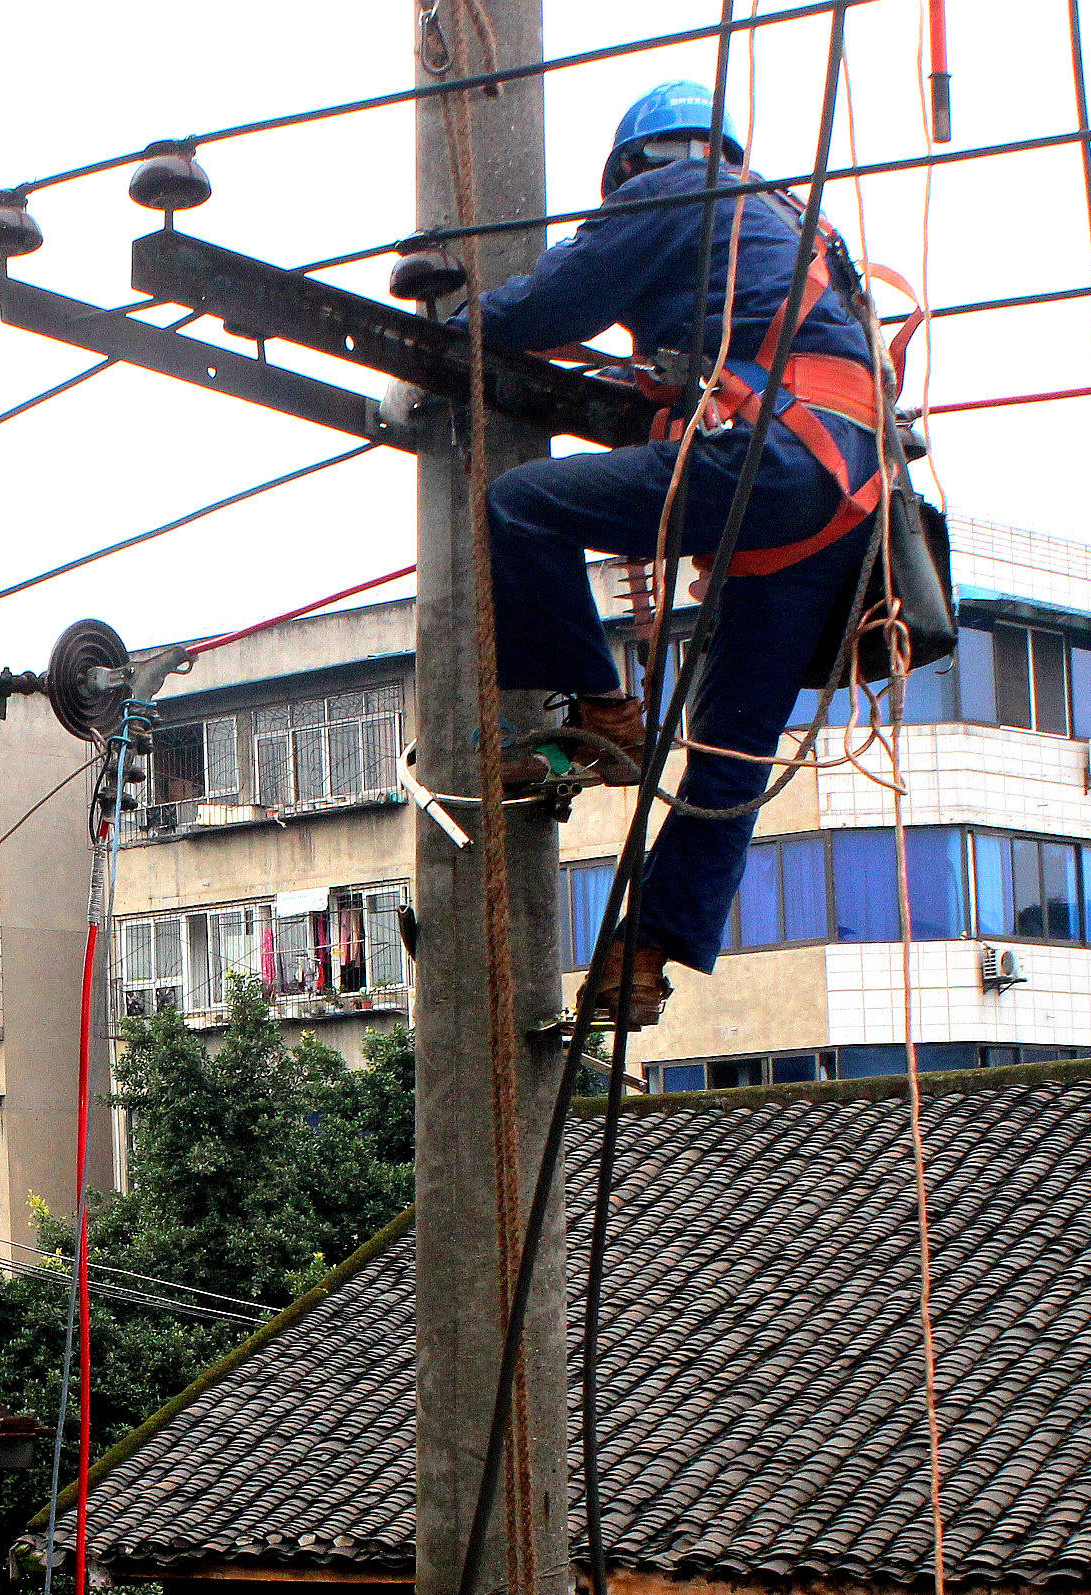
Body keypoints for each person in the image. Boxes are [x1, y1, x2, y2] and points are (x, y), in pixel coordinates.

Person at [475, 80, 892, 1029]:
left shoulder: (677, 193)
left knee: (521, 508)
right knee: (729, 752)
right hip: (843, 509)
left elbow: (551, 302)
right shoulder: (796, 227)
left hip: (775, 461)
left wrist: (444, 335)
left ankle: (603, 714)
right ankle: (643, 955)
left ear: (633, 166)